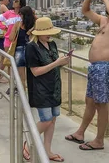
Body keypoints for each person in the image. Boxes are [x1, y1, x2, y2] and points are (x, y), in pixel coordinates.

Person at [66, 0, 109, 151]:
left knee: (101, 104)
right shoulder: (102, 21)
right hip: (94, 68)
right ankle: (80, 133)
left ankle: (99, 140)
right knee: (90, 102)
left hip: (105, 68)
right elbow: (85, 10)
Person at [24, 17, 70, 162]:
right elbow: (35, 71)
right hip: (40, 89)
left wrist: (62, 62)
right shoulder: (31, 47)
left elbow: (53, 64)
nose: (50, 35)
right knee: (46, 120)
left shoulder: (53, 44)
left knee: (53, 119)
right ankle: (27, 144)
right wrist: (57, 63)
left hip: (54, 87)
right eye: (47, 32)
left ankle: (47, 150)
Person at [0, 0, 26, 93]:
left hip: (20, 42)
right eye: (14, 0)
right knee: (10, 65)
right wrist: (5, 28)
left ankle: (18, 86)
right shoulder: (9, 13)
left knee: (20, 66)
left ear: (21, 3)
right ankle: (12, 85)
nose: (14, 2)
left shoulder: (23, 14)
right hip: (9, 41)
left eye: (16, 1)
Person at [8, 5, 35, 88]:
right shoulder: (35, 26)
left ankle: (23, 96)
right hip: (32, 51)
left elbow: (11, 38)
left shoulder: (17, 24)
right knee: (32, 77)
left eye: (21, 14)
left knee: (21, 78)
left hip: (19, 51)